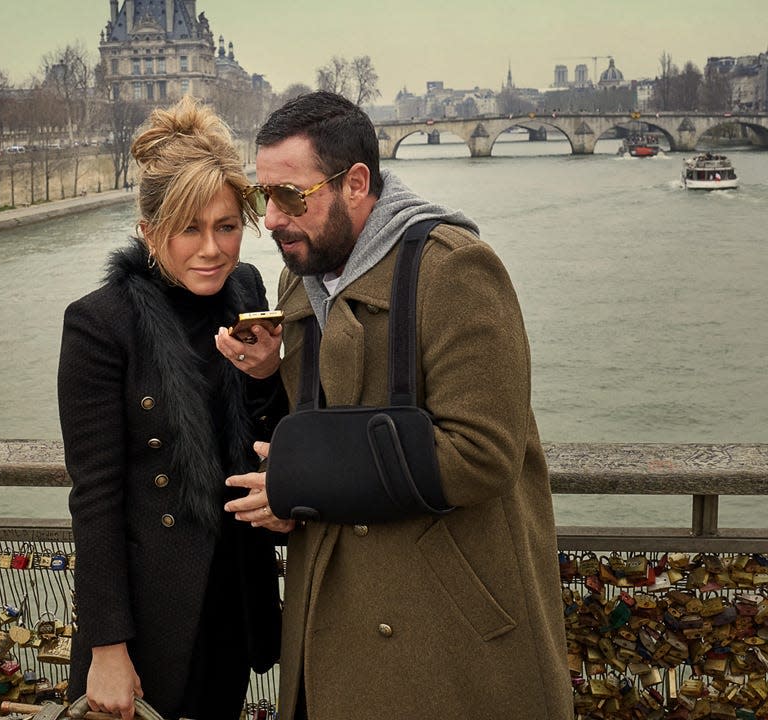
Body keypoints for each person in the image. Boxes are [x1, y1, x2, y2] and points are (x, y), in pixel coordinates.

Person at [224, 91, 573, 719]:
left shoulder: (455, 270)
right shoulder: (298, 275)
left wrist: (303, 479)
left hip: (439, 622)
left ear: (356, 182)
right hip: (332, 601)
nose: (270, 220)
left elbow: (482, 452)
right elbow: (327, 420)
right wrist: (271, 373)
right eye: (261, 198)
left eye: (290, 197)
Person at [57, 96, 285, 720]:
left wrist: (266, 376)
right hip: (150, 611)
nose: (212, 249)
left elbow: (271, 434)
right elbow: (95, 495)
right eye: (189, 229)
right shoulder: (99, 324)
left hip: (233, 594)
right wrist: (107, 645)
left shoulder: (249, 290)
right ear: (149, 231)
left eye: (227, 226)